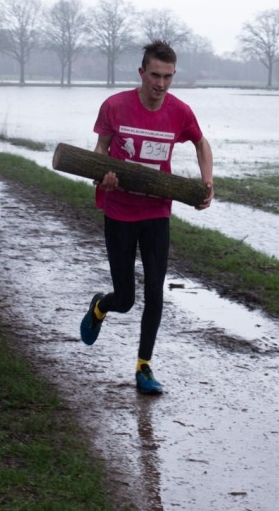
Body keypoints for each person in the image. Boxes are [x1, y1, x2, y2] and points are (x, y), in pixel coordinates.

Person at [79, 39, 214, 394]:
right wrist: (102, 173)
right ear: (142, 73)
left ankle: (144, 367)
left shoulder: (180, 112)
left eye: (168, 77)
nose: (161, 84)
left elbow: (201, 143)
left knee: (155, 291)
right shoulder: (114, 106)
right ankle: (100, 307)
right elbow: (101, 148)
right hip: (119, 212)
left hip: (156, 212)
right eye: (155, 75)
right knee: (126, 299)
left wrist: (207, 181)